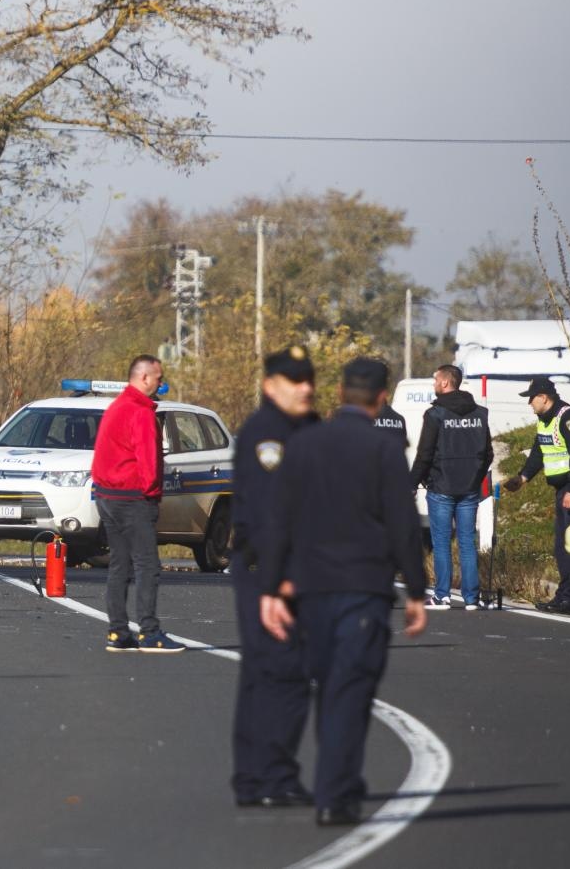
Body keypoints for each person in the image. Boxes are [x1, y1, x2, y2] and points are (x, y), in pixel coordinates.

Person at [260, 357, 428, 827]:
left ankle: (338, 784)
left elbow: (279, 519)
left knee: (328, 685)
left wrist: (271, 587)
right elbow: (402, 524)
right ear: (380, 398)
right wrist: (416, 589)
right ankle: (337, 792)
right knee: (350, 691)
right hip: (363, 589)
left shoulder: (306, 443)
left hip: (311, 591)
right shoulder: (383, 448)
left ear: (339, 391)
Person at [229, 346, 319, 809]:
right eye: (293, 380)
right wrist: (276, 584)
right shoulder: (265, 435)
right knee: (279, 672)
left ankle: (257, 777)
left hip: (297, 570)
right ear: (270, 386)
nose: (305, 387)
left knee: (274, 673)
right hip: (266, 569)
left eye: (308, 378)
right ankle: (271, 776)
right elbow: (267, 516)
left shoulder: (309, 427)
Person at [92, 354, 184, 653]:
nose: (161, 383)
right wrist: (153, 495)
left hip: (108, 496)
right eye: (159, 378)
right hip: (133, 498)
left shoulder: (116, 407)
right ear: (144, 377)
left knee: (120, 565)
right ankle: (149, 632)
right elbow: (149, 460)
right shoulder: (140, 412)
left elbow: (102, 454)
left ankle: (118, 632)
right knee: (148, 565)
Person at [503, 376, 570, 616]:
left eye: (531, 399)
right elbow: (538, 453)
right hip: (562, 490)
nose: (529, 403)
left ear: (543, 397)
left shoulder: (569, 418)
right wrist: (521, 479)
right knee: (562, 547)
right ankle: (565, 595)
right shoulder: (545, 420)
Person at [411, 364, 493, 610]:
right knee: (467, 542)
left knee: (442, 542)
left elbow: (424, 454)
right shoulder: (480, 413)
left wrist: (413, 482)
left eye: (436, 379)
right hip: (469, 489)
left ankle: (442, 596)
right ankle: (471, 598)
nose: (434, 384)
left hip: (441, 487)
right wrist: (475, 477)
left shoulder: (435, 415)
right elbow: (487, 454)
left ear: (446, 383)